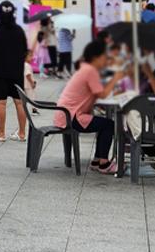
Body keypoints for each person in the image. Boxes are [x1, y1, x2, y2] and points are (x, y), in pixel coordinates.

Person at [55, 40, 131, 174]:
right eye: (104, 57)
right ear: (96, 57)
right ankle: (103, 163)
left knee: (103, 123)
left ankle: (97, 160)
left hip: (66, 114)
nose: (106, 60)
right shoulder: (90, 71)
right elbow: (101, 93)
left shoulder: (86, 69)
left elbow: (99, 92)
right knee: (108, 125)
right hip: (72, 117)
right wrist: (116, 78)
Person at [0, 1, 29, 143]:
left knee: (1, 103)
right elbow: (25, 50)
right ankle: (22, 133)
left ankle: (1, 133)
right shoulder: (19, 31)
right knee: (19, 103)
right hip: (16, 71)